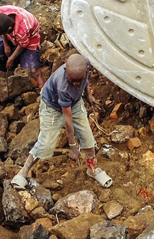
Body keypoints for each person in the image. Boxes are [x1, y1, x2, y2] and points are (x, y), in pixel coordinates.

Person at [11, 54, 113, 189]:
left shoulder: (85, 65)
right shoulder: (63, 86)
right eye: (73, 81)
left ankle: (92, 169)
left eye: (79, 80)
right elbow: (68, 119)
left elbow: (85, 81)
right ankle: (23, 172)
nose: (76, 84)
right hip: (52, 106)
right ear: (65, 71)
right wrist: (72, 146)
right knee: (46, 143)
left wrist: (89, 96)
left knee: (87, 137)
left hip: (74, 102)